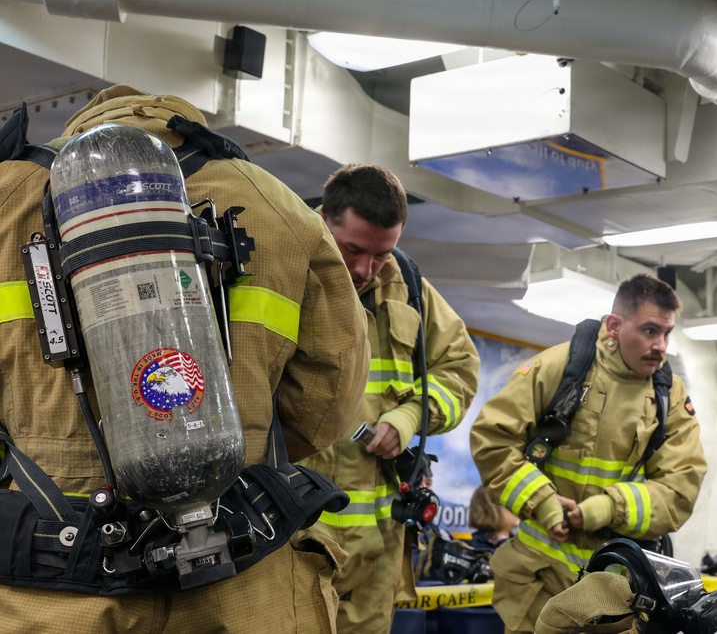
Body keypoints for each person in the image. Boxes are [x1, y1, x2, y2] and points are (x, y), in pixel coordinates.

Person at [0, 85, 370, 632]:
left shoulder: (8, 197)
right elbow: (328, 402)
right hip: (240, 578)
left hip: (54, 586)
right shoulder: (275, 204)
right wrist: (230, 434)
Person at [296, 163, 480, 634]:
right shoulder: (282, 267)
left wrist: (409, 416)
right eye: (353, 249)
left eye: (381, 254)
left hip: (378, 552)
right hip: (293, 540)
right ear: (324, 219)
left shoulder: (408, 287)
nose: (364, 269)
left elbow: (460, 368)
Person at [470, 273, 707, 633]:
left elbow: (681, 486)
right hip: (539, 574)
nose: (661, 345)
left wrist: (606, 508)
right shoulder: (558, 367)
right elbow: (493, 440)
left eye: (666, 333)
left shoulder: (669, 395)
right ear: (614, 325)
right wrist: (543, 503)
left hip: (615, 585)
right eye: (648, 331)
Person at [468, 484, 521, 551]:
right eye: (509, 502)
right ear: (491, 509)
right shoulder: (471, 550)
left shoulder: (521, 546)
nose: (516, 508)